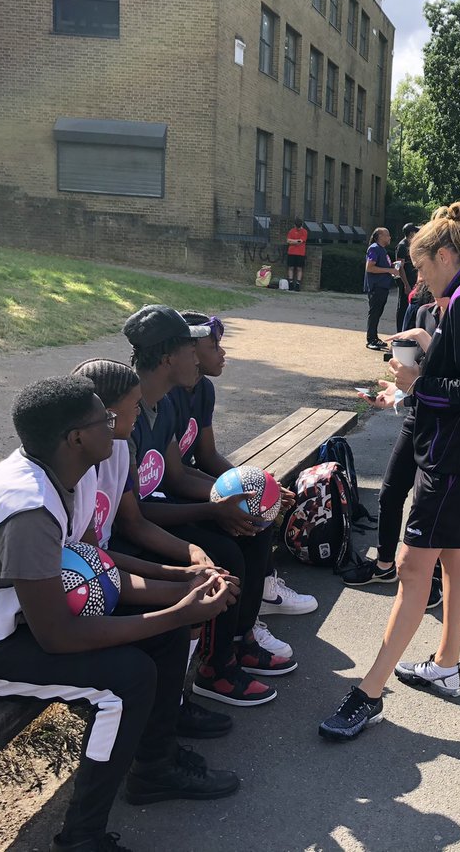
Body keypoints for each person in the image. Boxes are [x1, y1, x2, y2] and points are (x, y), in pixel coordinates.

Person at [0, 376, 240, 852]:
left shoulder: (60, 475)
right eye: (106, 420)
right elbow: (58, 635)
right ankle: (82, 839)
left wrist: (181, 583)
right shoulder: (28, 509)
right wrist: (178, 612)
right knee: (126, 680)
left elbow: (95, 564)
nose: (117, 425)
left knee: (163, 638)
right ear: (76, 438)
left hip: (2, 620)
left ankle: (154, 769)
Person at [320, 200, 460, 741]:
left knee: (409, 567)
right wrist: (427, 355)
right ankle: (446, 663)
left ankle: (369, 692)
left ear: (445, 255)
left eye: (422, 266)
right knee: (453, 555)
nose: (418, 277)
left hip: (450, 461)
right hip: (458, 456)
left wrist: (417, 386)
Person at [121, 305, 292, 707]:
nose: (197, 357)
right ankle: (214, 669)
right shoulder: (124, 418)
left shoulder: (160, 405)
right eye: (191, 350)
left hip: (158, 512)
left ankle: (236, 642)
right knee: (225, 551)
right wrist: (215, 510)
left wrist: (246, 494)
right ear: (169, 358)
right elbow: (133, 517)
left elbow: (177, 474)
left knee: (251, 528)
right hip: (129, 535)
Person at [71, 357, 235, 741]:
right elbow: (87, 561)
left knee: (205, 578)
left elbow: (131, 524)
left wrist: (190, 556)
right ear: (106, 416)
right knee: (172, 625)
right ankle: (159, 741)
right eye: (133, 405)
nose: (139, 411)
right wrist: (177, 586)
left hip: (100, 565)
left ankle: (174, 709)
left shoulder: (118, 453)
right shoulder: (74, 472)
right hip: (83, 579)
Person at [172, 311, 316, 620]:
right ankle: (246, 623)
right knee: (246, 522)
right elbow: (173, 476)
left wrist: (258, 486)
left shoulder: (203, 390)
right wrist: (245, 493)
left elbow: (207, 456)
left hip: (185, 486)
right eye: (214, 346)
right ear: (190, 352)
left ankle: (263, 593)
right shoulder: (168, 396)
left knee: (260, 509)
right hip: (167, 497)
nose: (223, 353)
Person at [344, 288, 445, 612]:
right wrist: (393, 396)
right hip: (416, 415)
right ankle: (384, 564)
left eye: (424, 265)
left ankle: (434, 577)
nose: (421, 276)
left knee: (429, 504)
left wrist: (423, 338)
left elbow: (452, 376)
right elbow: (411, 378)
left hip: (444, 426)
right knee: (389, 494)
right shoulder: (423, 313)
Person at [364, 227, 398, 351]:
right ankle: (370, 339)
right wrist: (389, 270)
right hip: (376, 287)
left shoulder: (382, 250)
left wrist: (392, 266)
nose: (389, 237)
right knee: (374, 313)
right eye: (387, 235)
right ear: (380, 236)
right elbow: (370, 268)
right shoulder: (374, 248)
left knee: (378, 313)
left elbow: (382, 266)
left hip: (383, 286)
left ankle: (375, 337)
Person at [394, 223, 419, 331]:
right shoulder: (402, 246)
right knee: (403, 306)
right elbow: (399, 267)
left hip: (413, 280)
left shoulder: (411, 245)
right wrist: (406, 285)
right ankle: (400, 330)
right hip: (405, 281)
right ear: (411, 233)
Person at [285, 218, 308, 291]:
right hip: (291, 252)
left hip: (300, 253)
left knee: (299, 268)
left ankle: (298, 284)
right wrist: (296, 241)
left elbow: (300, 241)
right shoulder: (291, 231)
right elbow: (288, 241)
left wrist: (292, 241)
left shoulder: (304, 231)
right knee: (291, 267)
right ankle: (291, 283)